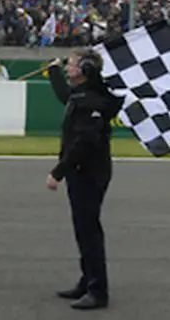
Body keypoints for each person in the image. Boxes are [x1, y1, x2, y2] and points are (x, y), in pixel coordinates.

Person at [45, 48, 124, 310]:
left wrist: (59, 171)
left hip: (89, 172)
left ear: (86, 69)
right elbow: (66, 95)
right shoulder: (83, 95)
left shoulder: (93, 100)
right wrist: (54, 72)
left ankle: (98, 290)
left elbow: (85, 143)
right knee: (83, 229)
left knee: (89, 232)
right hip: (82, 172)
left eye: (71, 64)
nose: (68, 67)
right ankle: (87, 279)